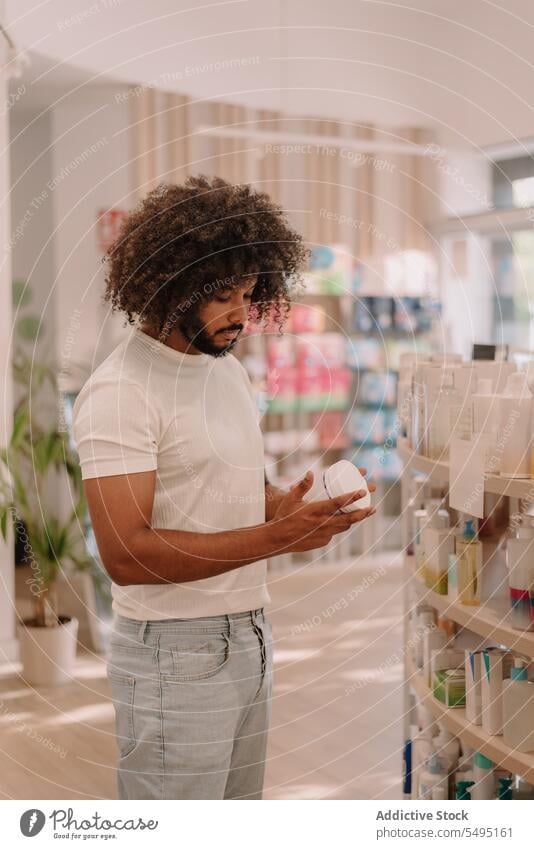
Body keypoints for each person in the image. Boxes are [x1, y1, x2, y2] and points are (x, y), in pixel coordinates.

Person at [72, 174, 376, 800]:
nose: (243, 314)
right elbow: (125, 555)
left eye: (248, 293)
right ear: (169, 289)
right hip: (172, 655)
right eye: (223, 298)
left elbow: (230, 489)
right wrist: (273, 537)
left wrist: (293, 513)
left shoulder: (226, 371)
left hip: (250, 634)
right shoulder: (121, 391)